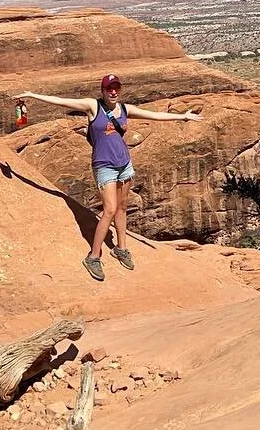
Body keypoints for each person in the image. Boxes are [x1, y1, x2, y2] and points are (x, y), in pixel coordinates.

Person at [14, 74, 202, 281]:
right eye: (109, 88)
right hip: (104, 166)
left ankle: (121, 248)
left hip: (124, 164)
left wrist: (182, 117)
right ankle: (94, 256)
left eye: (116, 88)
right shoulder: (92, 106)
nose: (113, 92)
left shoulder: (124, 109)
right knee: (110, 209)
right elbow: (61, 102)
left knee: (122, 208)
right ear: (102, 90)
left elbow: (153, 115)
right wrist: (32, 95)